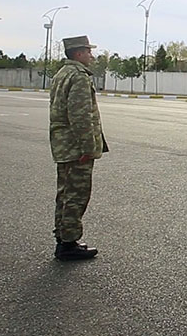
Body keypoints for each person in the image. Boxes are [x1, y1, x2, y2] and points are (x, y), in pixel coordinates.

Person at [49, 35, 107, 260]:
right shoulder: (79, 76)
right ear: (78, 53)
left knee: (64, 194)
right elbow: (80, 116)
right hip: (76, 147)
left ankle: (63, 237)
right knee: (76, 195)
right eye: (88, 51)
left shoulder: (62, 73)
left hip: (63, 144)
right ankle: (68, 244)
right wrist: (87, 148)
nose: (91, 56)